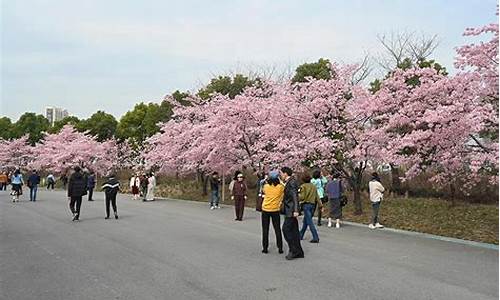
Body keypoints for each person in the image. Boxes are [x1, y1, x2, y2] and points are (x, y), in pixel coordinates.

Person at [280, 167, 304, 260]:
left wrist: (296, 210)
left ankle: (293, 250)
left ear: (285, 173)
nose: (281, 175)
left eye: (281, 173)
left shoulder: (292, 182)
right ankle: (299, 251)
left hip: (291, 210)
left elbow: (295, 196)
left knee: (286, 230)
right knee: (294, 231)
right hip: (289, 210)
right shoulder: (290, 182)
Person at [260, 171, 284, 254]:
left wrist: (266, 179)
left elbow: (261, 184)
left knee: (265, 229)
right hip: (275, 210)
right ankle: (280, 247)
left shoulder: (266, 187)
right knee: (277, 229)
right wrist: (280, 181)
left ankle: (265, 248)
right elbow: (284, 187)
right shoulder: (280, 187)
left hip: (265, 209)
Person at [299, 174, 322, 243]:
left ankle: (316, 237)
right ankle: (301, 235)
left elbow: (302, 197)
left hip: (306, 205)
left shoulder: (303, 186)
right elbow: (317, 197)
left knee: (309, 222)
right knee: (306, 221)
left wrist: (297, 196)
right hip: (313, 205)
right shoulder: (313, 186)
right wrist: (320, 205)